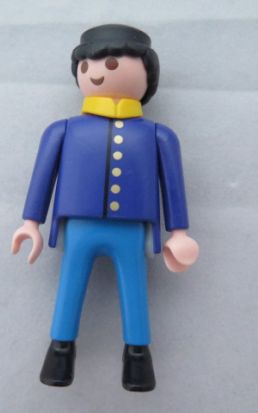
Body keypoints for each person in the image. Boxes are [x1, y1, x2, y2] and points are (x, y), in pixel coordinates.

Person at [11, 24, 199, 392]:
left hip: (131, 229)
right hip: (79, 227)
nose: (96, 72)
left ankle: (138, 358)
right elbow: (42, 178)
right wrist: (31, 222)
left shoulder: (159, 136)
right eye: (86, 66)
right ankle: (60, 352)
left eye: (111, 64)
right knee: (70, 285)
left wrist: (179, 232)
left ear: (148, 73)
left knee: (134, 288)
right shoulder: (62, 130)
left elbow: (173, 186)